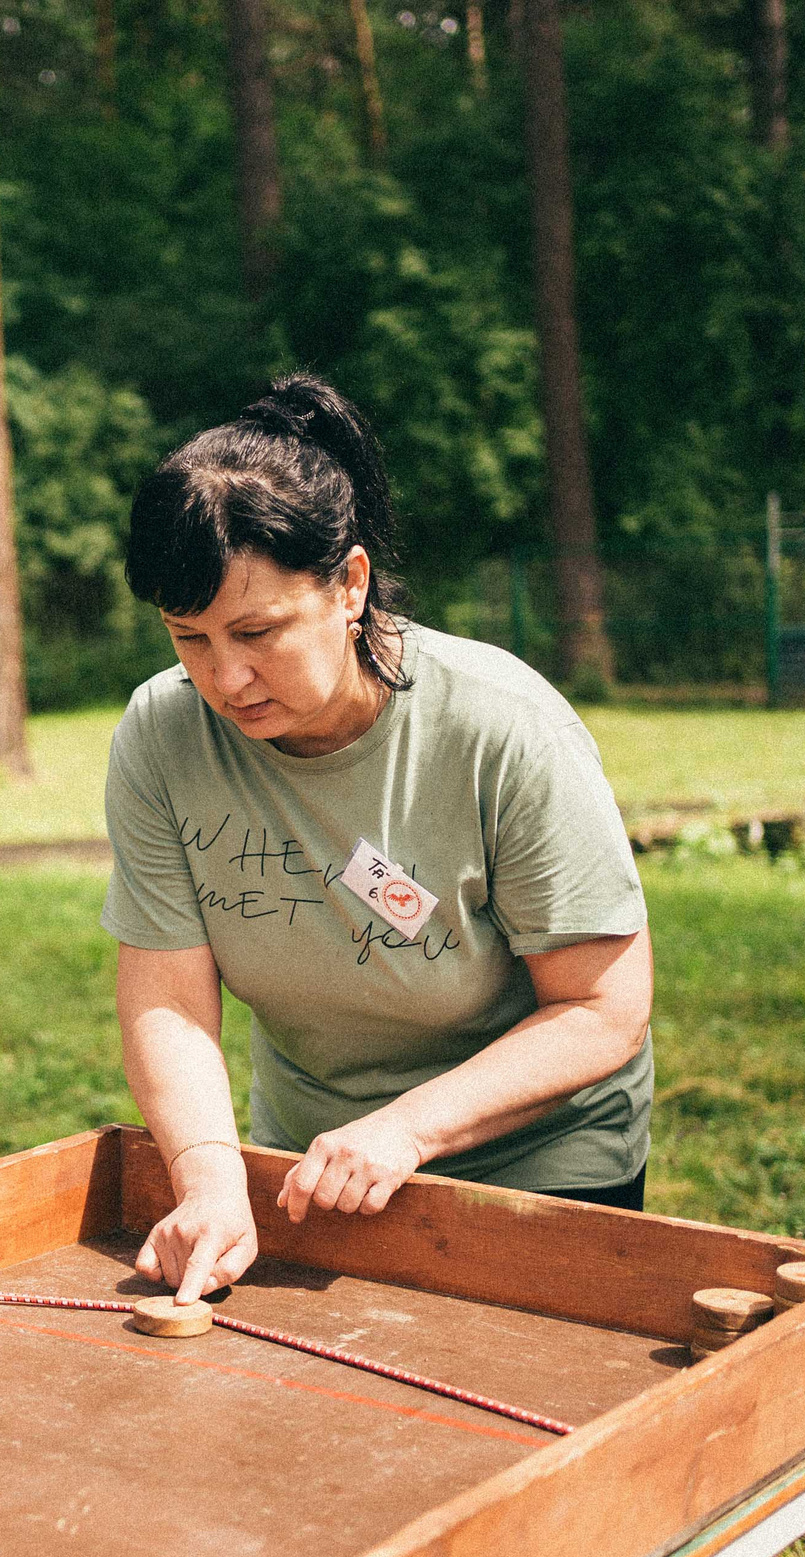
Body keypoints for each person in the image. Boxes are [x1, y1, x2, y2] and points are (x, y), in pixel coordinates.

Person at [102, 374, 655, 1305]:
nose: (225, 678)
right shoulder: (161, 734)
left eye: (257, 631)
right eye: (187, 638)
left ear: (350, 584)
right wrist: (208, 1174)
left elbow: (603, 1007)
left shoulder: (505, 726)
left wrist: (406, 1130)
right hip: (313, 1174)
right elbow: (169, 999)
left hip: (541, 1169)